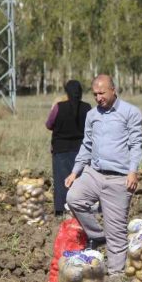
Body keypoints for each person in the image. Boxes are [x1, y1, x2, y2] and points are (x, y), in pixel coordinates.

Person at [65, 75, 142, 276]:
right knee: (74, 198)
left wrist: (133, 171)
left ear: (113, 90)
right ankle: (98, 236)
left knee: (116, 233)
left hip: (119, 178)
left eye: (102, 93)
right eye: (95, 94)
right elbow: (87, 144)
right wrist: (75, 172)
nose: (99, 98)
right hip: (94, 173)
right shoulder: (92, 115)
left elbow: (136, 145)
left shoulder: (131, 113)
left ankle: (116, 276)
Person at [45, 80, 91, 217]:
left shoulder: (59, 107)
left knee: (61, 180)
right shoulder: (87, 108)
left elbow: (49, 124)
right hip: (81, 150)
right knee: (80, 179)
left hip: (61, 150)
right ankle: (80, 208)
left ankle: (60, 210)